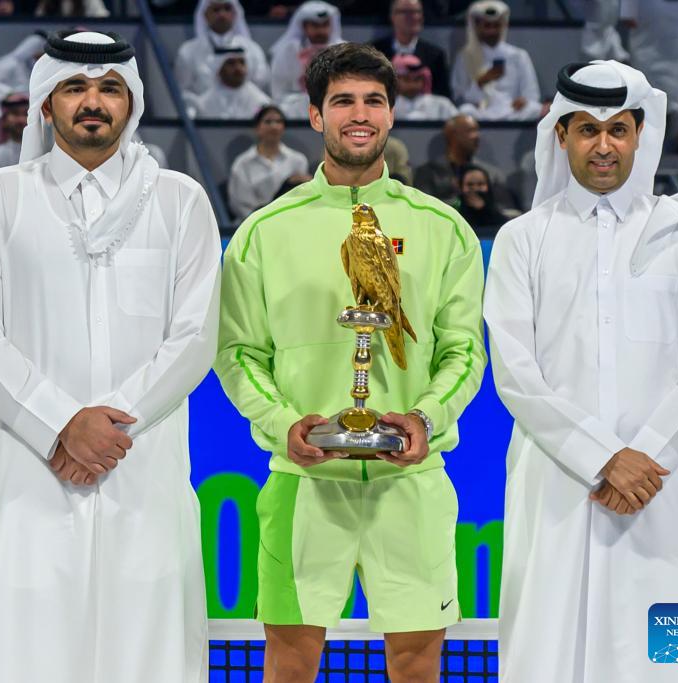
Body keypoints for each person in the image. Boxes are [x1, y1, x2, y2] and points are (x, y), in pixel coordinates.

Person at [0, 30, 221, 682]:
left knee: (151, 652)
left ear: (133, 103)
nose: (92, 102)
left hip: (142, 469)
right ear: (46, 104)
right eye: (74, 87)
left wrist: (107, 426)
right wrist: (61, 425)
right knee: (29, 652)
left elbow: (195, 338)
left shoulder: (180, 201)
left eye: (109, 89)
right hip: (32, 474)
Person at [215, 42, 486, 683]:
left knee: (417, 665)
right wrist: (284, 424)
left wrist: (426, 417)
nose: (359, 115)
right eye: (342, 102)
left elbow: (464, 350)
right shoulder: (264, 232)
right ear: (316, 116)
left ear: (392, 115)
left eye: (373, 101)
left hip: (411, 483)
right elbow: (238, 354)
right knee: (289, 663)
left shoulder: (444, 228)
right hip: (303, 483)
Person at [485, 60, 678, 683]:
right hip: (558, 484)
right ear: (561, 135)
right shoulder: (522, 239)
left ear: (640, 135)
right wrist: (603, 458)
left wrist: (644, 458)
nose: (603, 145)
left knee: (668, 656)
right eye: (588, 130)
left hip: (658, 486)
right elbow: (515, 372)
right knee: (546, 650)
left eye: (618, 129)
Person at [623, 0, 678, 153]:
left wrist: (627, 10)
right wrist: (627, 9)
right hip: (651, 15)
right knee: (649, 64)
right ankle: (651, 126)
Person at [451, 0, 542, 121]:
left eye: (496, 25)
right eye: (487, 25)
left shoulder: (519, 55)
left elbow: (532, 95)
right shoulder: (465, 56)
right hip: (480, 113)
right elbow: (459, 96)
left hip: (513, 112)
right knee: (465, 110)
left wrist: (523, 101)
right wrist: (481, 82)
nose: (492, 30)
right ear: (477, 26)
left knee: (534, 108)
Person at [227, 104, 310, 221]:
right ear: (257, 128)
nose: (274, 126)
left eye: (278, 121)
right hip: (253, 223)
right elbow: (240, 205)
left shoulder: (298, 160)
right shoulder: (243, 163)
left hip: (289, 221)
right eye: (268, 122)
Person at [413, 113, 515, 208]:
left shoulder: (493, 174)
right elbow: (424, 206)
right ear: (452, 135)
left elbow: (506, 209)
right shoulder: (427, 173)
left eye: (477, 131)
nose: (476, 136)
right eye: (470, 131)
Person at [175, 0, 270, 97]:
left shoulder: (253, 49)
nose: (222, 14)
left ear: (235, 14)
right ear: (205, 15)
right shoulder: (188, 51)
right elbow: (183, 92)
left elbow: (261, 87)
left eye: (227, 9)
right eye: (216, 10)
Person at [270, 1, 343, 116]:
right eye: (315, 26)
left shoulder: (344, 51)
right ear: (304, 26)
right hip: (293, 107)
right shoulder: (288, 50)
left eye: (325, 25)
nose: (321, 31)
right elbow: (279, 90)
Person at [371, 0, 451, 99]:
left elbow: (443, 96)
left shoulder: (435, 56)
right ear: (392, 16)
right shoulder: (374, 53)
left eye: (416, 12)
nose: (412, 17)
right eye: (405, 12)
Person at [188, 45, 271, 120]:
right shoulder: (204, 104)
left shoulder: (261, 102)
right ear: (219, 68)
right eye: (231, 63)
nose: (238, 68)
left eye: (242, 62)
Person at [391, 53, 458, 121]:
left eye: (417, 79)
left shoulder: (442, 104)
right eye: (407, 79)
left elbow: (458, 122)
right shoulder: (388, 106)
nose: (412, 84)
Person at [456, 164, 506, 229]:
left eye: (480, 184)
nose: (475, 189)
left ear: (488, 186)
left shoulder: (501, 220)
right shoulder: (456, 218)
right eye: (470, 184)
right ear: (461, 187)